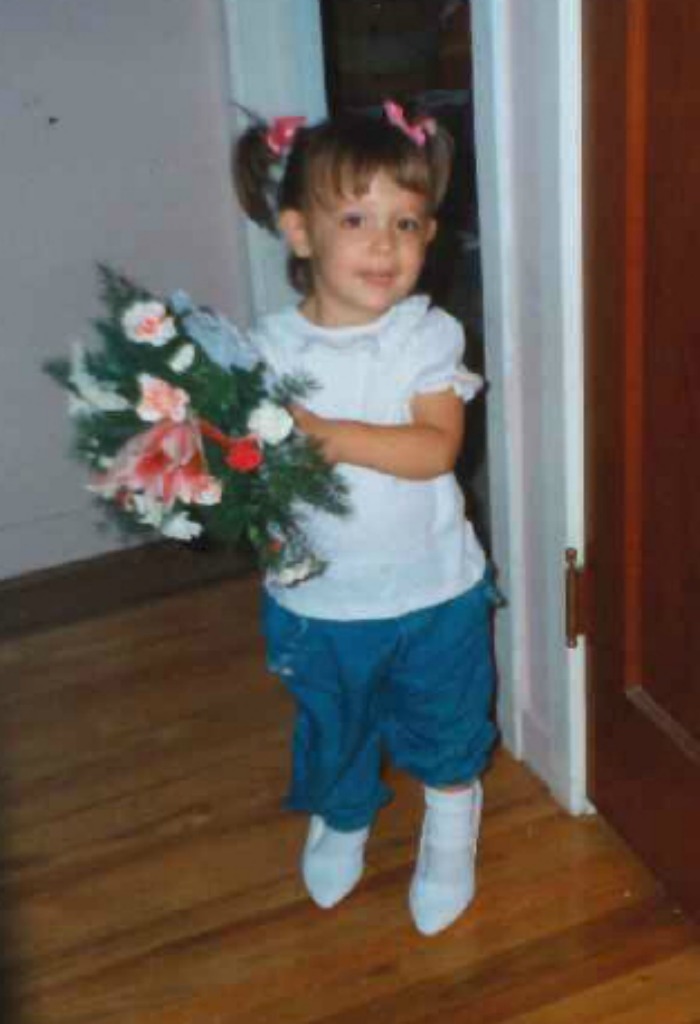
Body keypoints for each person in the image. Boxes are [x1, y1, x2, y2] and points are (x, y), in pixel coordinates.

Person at [232, 102, 498, 936]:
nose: (385, 244)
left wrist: (328, 437)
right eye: (356, 219)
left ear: (430, 237)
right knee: (334, 722)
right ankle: (343, 813)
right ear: (298, 233)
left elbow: (435, 448)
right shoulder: (266, 351)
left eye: (406, 222)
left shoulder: (424, 336)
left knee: (446, 720)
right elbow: (243, 469)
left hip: (432, 592)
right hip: (318, 601)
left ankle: (450, 825)